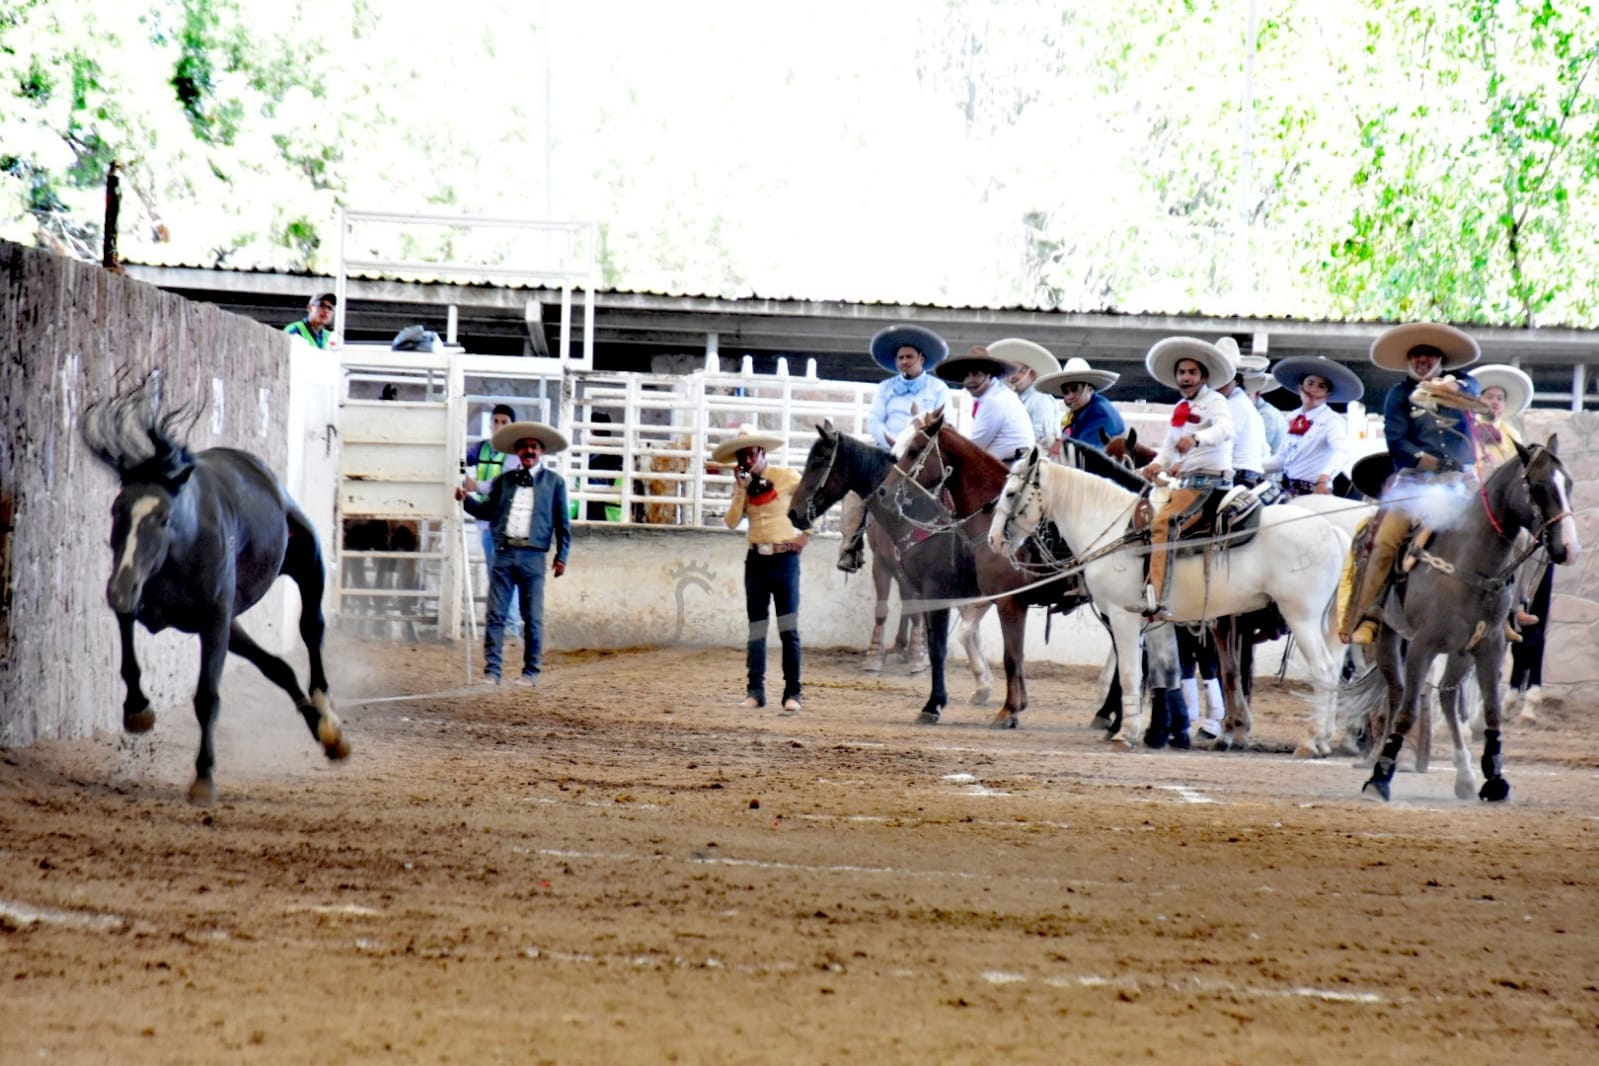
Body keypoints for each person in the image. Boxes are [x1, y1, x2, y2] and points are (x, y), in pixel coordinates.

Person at [1339, 322, 1483, 645]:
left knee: (1504, 529)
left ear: (1441, 358)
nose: (1422, 360)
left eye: (1429, 354)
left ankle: (1508, 611)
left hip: (1462, 481)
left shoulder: (1464, 383)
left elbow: (1472, 391)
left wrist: (1448, 386)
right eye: (1416, 355)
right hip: (1418, 482)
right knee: (1384, 542)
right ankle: (1369, 614)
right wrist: (1430, 461)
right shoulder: (1399, 394)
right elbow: (1397, 442)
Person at [455, 420, 571, 686]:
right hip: (505, 552)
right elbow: (487, 511)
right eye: (524, 447)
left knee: (532, 617)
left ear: (541, 451)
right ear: (517, 451)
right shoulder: (504, 481)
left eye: (534, 446)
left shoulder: (554, 483)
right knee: (496, 614)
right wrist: (466, 500)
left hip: (533, 555)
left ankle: (531, 672)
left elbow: (563, 523)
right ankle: (492, 671)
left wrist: (562, 556)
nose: (529, 451)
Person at [1136, 336, 1236, 617]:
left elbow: (1226, 429)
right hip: (1187, 483)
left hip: (1208, 483)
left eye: (1192, 372)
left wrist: (1196, 439)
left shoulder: (1215, 400)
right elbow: (1169, 448)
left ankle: (1157, 596)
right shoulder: (1181, 407)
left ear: (1203, 377)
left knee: (1163, 522)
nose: (1186, 377)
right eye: (1182, 372)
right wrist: (1156, 465)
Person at [840, 325, 952, 572]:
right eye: (900, 358)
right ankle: (851, 545)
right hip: (889, 452)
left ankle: (955, 540)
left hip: (922, 454)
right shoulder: (885, 387)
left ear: (921, 358)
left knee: (950, 485)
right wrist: (891, 443)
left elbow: (944, 422)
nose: (904, 362)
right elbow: (875, 421)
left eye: (909, 357)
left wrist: (915, 444)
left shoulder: (938, 389)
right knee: (856, 487)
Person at [1472, 363, 1548, 717]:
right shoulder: (1467, 431)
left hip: (1502, 512)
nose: (1494, 402)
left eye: (1499, 398)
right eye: (1489, 396)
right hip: (1474, 504)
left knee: (1526, 546)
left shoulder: (1511, 435)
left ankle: (1517, 605)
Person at [715, 426, 808, 714]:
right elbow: (731, 522)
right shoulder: (744, 486)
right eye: (742, 456)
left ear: (762, 453)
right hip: (756, 560)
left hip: (784, 559)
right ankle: (755, 690)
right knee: (757, 628)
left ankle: (793, 691)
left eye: (751, 454)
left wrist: (805, 535)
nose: (747, 461)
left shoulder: (786, 476)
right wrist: (740, 490)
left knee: (788, 629)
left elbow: (812, 501)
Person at [1262, 355, 1364, 497]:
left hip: (1315, 491)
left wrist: (1324, 479)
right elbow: (1281, 459)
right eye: (1310, 383)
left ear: (1327, 394)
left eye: (1321, 386)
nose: (1314, 390)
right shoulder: (1293, 417)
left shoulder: (1332, 420)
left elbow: (1342, 452)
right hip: (1287, 490)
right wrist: (1252, 467)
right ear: (1300, 387)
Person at [464, 404, 522, 625]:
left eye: (504, 422)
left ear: (512, 425)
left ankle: (510, 624)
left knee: (503, 574)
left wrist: (475, 485)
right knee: (498, 573)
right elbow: (461, 458)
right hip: (487, 519)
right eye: (495, 421)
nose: (499, 426)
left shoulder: (515, 453)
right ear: (489, 423)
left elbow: (503, 482)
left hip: (507, 520)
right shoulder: (482, 448)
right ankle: (508, 624)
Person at [933, 345, 1035, 462]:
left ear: (989, 375)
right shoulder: (1001, 395)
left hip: (1009, 467)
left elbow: (974, 446)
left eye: (976, 374)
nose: (970, 381)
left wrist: (948, 435)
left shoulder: (994, 401)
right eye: (966, 375)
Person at [1037, 356, 1125, 453]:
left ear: (1090, 389)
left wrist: (1057, 446)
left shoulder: (1099, 413)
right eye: (1065, 391)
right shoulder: (1085, 410)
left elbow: (1085, 452)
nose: (1069, 396)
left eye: (1074, 389)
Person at [1214, 340, 1269, 488]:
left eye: (1224, 378)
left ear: (1236, 379)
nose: (1218, 383)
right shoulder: (1242, 402)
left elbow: (1219, 443)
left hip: (1235, 477)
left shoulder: (1232, 405)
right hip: (1245, 476)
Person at [992, 338, 1063, 453]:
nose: (1013, 376)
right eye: (1011, 372)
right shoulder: (1017, 399)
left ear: (1032, 373)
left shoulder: (1040, 398)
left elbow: (1040, 436)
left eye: (1019, 371)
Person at [584, 412, 626, 522]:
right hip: (616, 516)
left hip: (598, 517)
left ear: (592, 431)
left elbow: (593, 497)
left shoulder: (595, 461)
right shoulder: (616, 456)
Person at [1245, 368, 1288, 458]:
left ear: (1257, 394)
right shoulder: (1259, 411)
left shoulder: (1266, 415)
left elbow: (1257, 449)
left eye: (1246, 395)